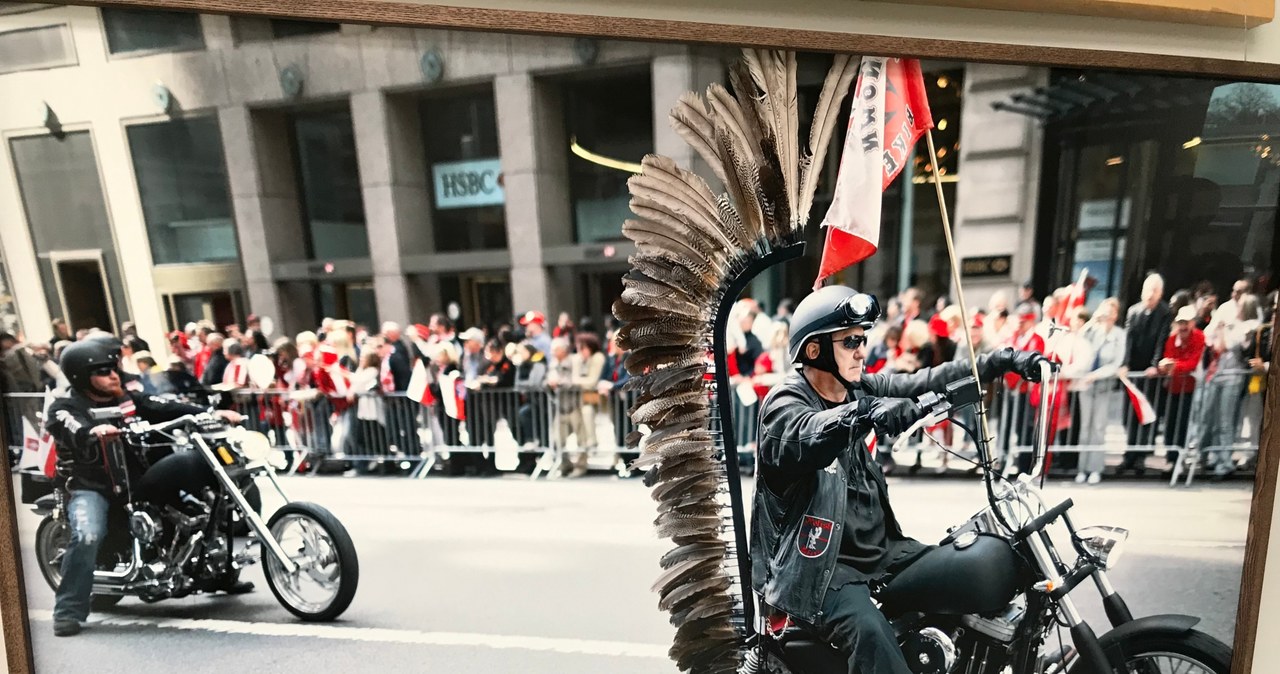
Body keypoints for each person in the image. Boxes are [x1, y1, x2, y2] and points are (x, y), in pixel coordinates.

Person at [750, 285, 1047, 674]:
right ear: (814, 350)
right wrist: (865, 413)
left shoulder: (858, 387)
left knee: (977, 570)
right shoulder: (786, 404)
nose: (861, 349)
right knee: (871, 634)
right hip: (819, 572)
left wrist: (997, 361)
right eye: (850, 341)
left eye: (863, 339)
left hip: (883, 553)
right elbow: (808, 433)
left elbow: (925, 381)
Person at [43, 340, 245, 637]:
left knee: (203, 503)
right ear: (81, 377)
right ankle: (67, 610)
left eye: (113, 369)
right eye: (102, 371)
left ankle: (218, 573)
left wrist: (207, 413)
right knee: (88, 535)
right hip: (92, 486)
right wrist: (93, 431)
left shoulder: (127, 398)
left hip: (135, 479)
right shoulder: (65, 407)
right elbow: (71, 426)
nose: (113, 376)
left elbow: (163, 405)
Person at [1121, 273, 1172, 467]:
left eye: (1155, 290)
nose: (1150, 294)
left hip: (1150, 372)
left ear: (1160, 293)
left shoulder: (1165, 312)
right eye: (1148, 290)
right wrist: (1125, 363)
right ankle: (1129, 453)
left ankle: (1141, 455)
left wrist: (1155, 364)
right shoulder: (1133, 311)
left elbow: (1162, 338)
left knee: (1147, 414)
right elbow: (1129, 339)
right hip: (1133, 370)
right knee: (1129, 414)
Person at [1076, 298, 1127, 484]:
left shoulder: (1119, 334)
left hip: (1103, 386)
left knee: (1099, 428)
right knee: (1085, 428)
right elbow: (1078, 342)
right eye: (1105, 310)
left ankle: (1095, 469)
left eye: (1111, 311)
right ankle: (1082, 468)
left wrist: (1095, 375)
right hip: (1087, 386)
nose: (1107, 314)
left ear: (1116, 315)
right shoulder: (1093, 332)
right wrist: (1091, 320)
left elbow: (1116, 363)